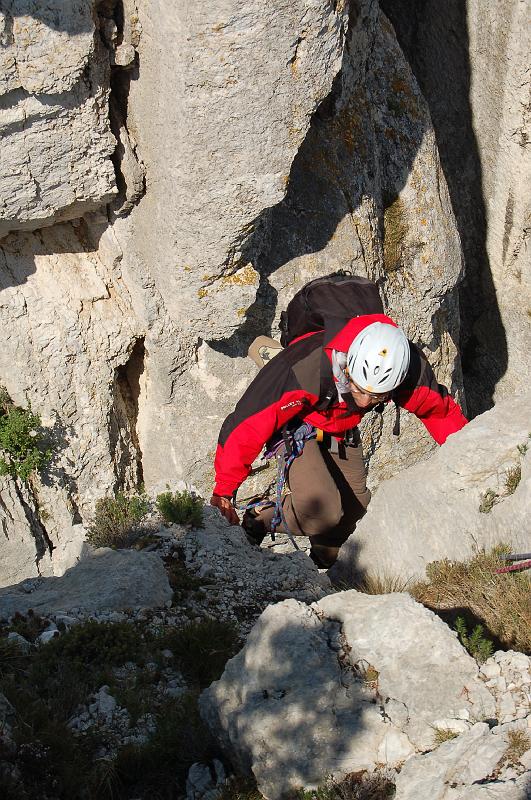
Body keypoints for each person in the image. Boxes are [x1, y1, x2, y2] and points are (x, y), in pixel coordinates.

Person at [210, 309, 467, 568]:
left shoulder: (408, 370)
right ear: (348, 364)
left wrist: (470, 457)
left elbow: (440, 412)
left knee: (357, 509)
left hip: (340, 423)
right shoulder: (307, 369)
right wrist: (224, 491)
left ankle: (323, 565)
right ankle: (260, 517)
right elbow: (247, 426)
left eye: (377, 397)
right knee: (323, 511)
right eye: (359, 388)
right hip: (298, 424)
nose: (365, 401)